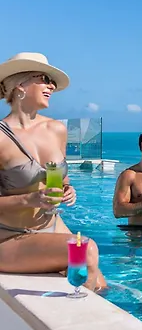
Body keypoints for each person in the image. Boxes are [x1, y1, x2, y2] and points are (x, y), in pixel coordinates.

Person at [0, 52, 106, 291]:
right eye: (45, 79)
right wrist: (30, 199)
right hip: (9, 236)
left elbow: (62, 179)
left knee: (100, 285)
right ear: (20, 84)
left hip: (52, 224)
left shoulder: (56, 129)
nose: (51, 86)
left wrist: (68, 189)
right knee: (86, 250)